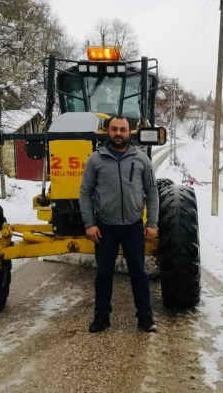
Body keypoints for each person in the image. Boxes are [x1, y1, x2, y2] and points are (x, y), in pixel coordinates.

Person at [79, 116, 159, 333]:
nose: (118, 133)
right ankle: (102, 316)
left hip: (133, 226)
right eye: (114, 129)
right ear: (107, 131)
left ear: (129, 132)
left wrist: (152, 223)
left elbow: (152, 192)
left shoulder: (141, 159)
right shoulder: (95, 160)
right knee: (103, 273)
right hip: (105, 227)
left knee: (139, 273)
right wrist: (89, 223)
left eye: (122, 129)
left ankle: (145, 316)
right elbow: (85, 192)